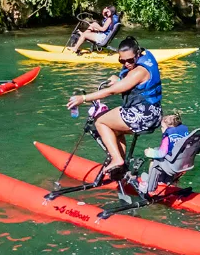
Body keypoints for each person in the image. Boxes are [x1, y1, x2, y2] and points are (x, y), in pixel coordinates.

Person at [66, 36, 162, 174]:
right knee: (114, 130)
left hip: (143, 116)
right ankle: (120, 168)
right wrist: (120, 79)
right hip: (153, 114)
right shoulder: (145, 60)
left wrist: (84, 98)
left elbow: (112, 91)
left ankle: (117, 159)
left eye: (130, 60)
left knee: (100, 122)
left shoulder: (140, 71)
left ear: (138, 54)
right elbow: (135, 83)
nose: (127, 64)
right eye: (122, 61)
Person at [139, 112, 189, 195]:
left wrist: (149, 152)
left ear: (168, 128)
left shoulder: (167, 136)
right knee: (157, 149)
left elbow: (162, 153)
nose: (161, 129)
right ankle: (168, 182)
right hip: (181, 164)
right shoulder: (183, 135)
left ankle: (149, 187)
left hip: (171, 165)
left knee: (155, 160)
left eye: (162, 127)